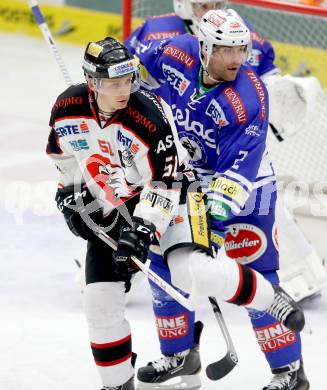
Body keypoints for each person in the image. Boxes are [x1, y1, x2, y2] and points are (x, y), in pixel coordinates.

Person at [47, 36, 305, 390]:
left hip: (176, 198)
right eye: (113, 83)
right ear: (93, 83)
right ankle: (121, 382)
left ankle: (269, 298)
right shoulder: (67, 108)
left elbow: (166, 183)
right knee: (100, 304)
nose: (124, 90)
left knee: (191, 272)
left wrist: (142, 230)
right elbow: (64, 158)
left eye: (128, 80)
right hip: (115, 211)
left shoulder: (147, 115)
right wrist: (69, 195)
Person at [134, 9, 310, 390]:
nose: (235, 59)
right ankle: (180, 355)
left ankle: (290, 372)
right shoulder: (176, 51)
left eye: (241, 50)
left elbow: (237, 173)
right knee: (164, 265)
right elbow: (138, 66)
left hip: (247, 189)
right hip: (185, 178)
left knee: (255, 274)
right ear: (203, 46)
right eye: (225, 50)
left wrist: (212, 225)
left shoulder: (248, 97)